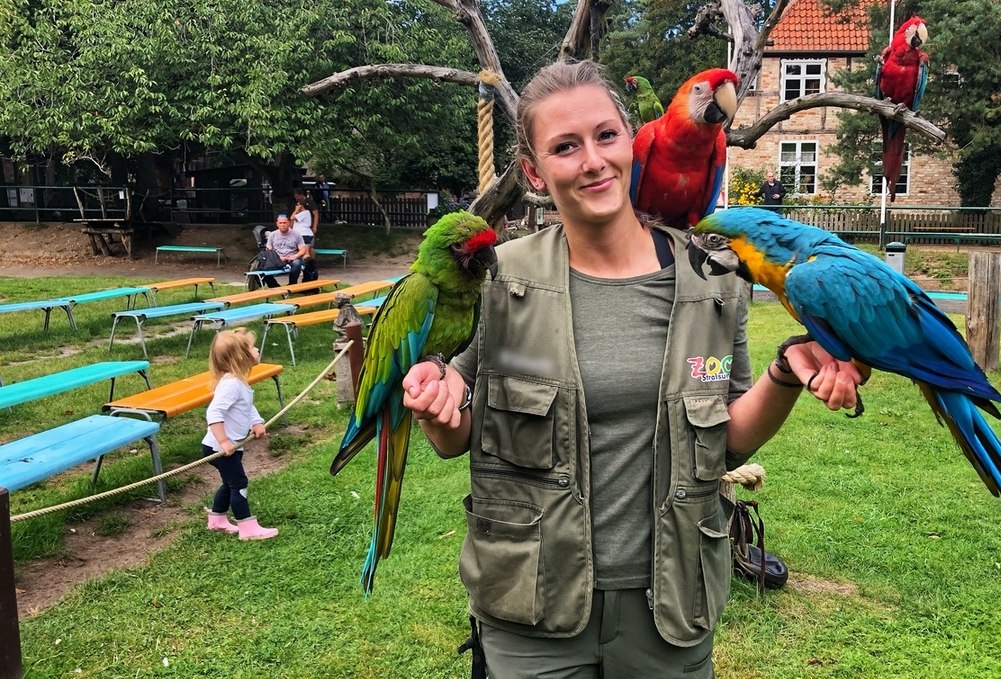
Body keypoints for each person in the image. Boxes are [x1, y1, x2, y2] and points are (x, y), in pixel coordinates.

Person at [400, 60, 862, 679]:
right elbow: (456, 434)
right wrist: (435, 403)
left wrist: (785, 374)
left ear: (632, 139)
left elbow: (726, 439)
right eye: (565, 146)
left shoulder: (713, 285)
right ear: (535, 171)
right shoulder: (501, 280)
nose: (592, 161)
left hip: (671, 608)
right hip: (530, 607)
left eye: (605, 136)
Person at [202, 328, 278, 541]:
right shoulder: (231, 384)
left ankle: (216, 520)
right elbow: (214, 412)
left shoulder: (238, 382)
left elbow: (246, 406)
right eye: (252, 347)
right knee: (239, 483)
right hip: (220, 447)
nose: (257, 349)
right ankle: (247, 528)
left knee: (229, 483)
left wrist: (256, 422)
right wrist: (224, 440)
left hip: (230, 445)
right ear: (240, 356)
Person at [264, 214, 305, 286]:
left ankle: (292, 285)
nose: (283, 225)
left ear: (288, 223)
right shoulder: (272, 235)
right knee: (264, 267)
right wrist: (277, 258)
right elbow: (268, 251)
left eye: (284, 223)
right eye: (280, 223)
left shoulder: (296, 234)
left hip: (292, 258)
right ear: (277, 224)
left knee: (297, 263)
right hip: (278, 259)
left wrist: (296, 256)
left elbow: (303, 250)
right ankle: (274, 287)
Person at [291, 187, 319, 282]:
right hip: (302, 232)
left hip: (306, 232)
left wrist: (315, 226)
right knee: (306, 251)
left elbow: (316, 214)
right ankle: (309, 268)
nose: (296, 198)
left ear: (300, 194)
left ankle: (310, 269)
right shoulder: (300, 212)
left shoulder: (308, 204)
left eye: (297, 196)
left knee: (307, 252)